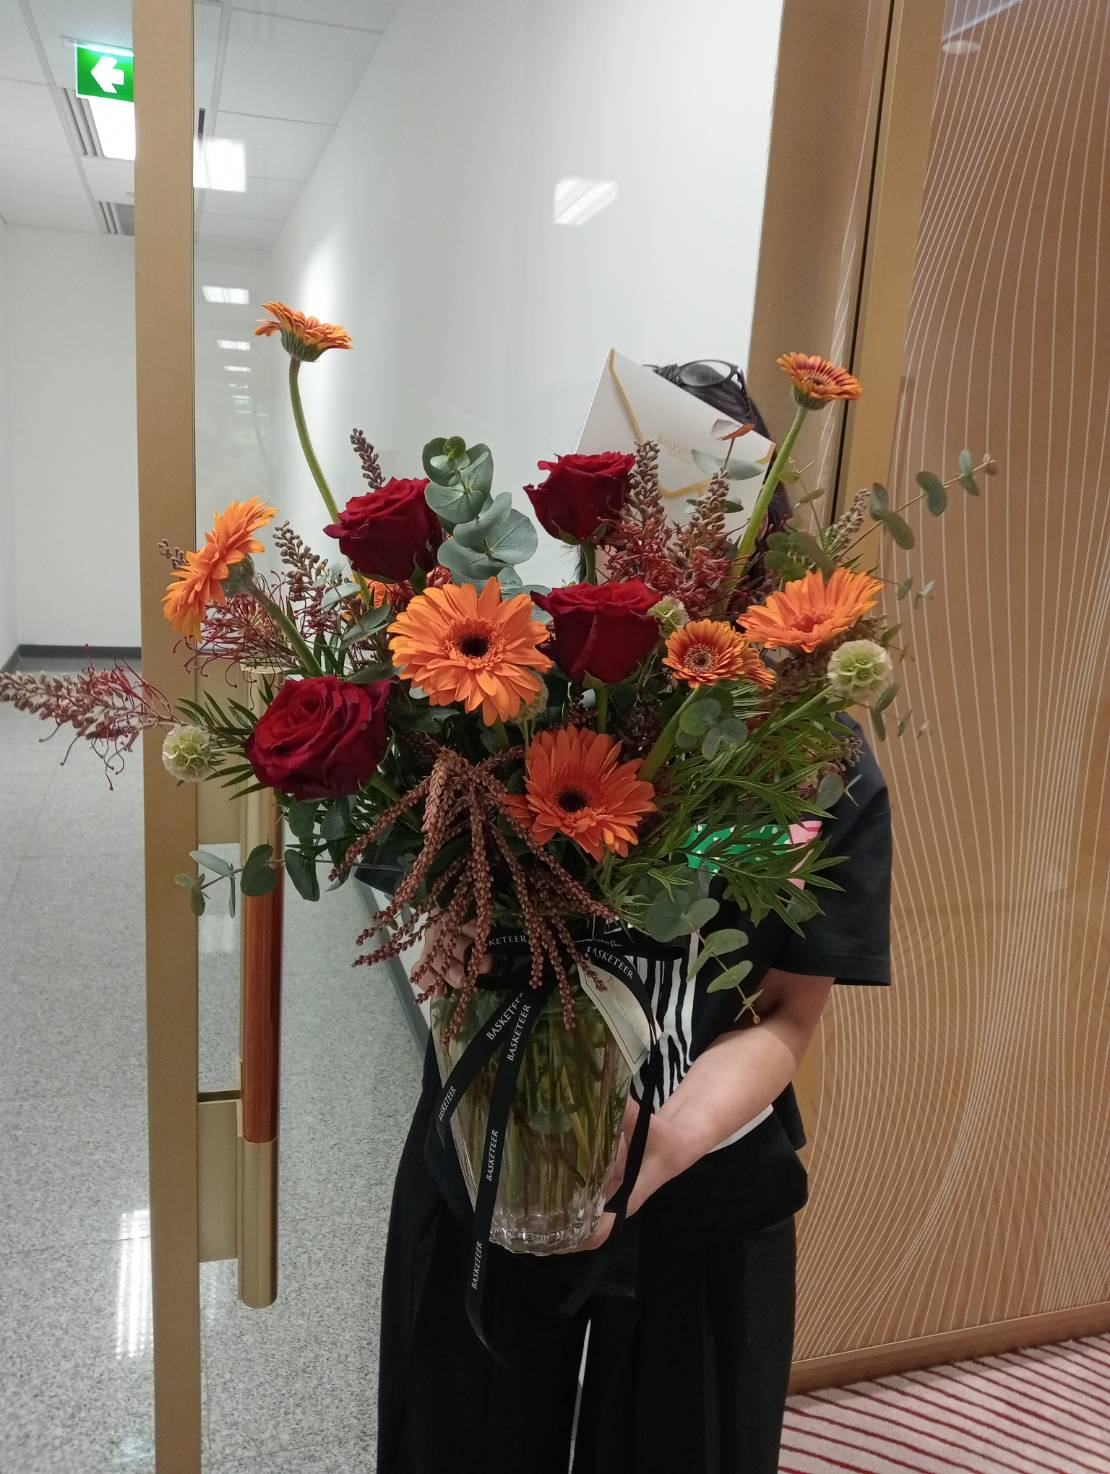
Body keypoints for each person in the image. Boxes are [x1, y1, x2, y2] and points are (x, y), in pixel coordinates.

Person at [375, 365, 893, 1474]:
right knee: (459, 1437)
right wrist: (446, 951)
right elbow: (430, 894)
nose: (677, 547)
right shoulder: (512, 686)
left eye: (713, 508)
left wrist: (671, 1141)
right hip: (496, 1147)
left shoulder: (820, 754)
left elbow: (792, 1011)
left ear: (764, 530)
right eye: (646, 510)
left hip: (705, 1183)